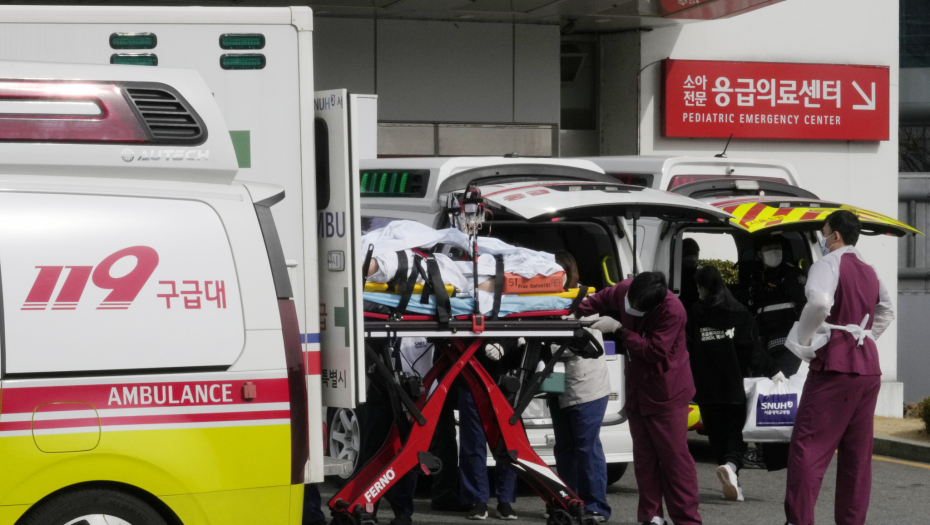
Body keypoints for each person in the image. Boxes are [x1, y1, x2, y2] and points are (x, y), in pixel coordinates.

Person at [783, 211, 894, 525]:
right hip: (867, 367)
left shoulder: (828, 263)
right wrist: (864, 336)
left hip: (835, 365)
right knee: (857, 456)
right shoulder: (869, 269)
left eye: (824, 232)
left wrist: (806, 339)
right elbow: (886, 310)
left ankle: (799, 520)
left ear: (835, 236)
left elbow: (819, 303)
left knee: (808, 447)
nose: (822, 238)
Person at [578, 272, 701, 525]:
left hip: (667, 393)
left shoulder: (673, 310)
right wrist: (568, 313)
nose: (631, 308)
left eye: (638, 307)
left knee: (674, 462)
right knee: (644, 460)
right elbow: (595, 301)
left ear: (654, 305)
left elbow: (653, 351)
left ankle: (687, 520)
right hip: (637, 390)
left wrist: (619, 329)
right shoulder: (625, 289)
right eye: (630, 302)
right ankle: (651, 517)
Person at [687, 266, 778, 502]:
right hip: (734, 385)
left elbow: (686, 348)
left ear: (703, 288)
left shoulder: (695, 313)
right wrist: (773, 370)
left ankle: (733, 480)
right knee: (736, 434)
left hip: (705, 387)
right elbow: (752, 350)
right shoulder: (739, 312)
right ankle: (731, 466)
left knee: (716, 436)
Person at [544, 251, 612, 522]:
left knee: (586, 446)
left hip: (586, 384)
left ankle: (595, 506)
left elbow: (583, 345)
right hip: (557, 382)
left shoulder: (584, 300)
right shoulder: (544, 300)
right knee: (564, 446)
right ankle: (569, 501)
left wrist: (543, 344)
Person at [457, 341, 522, 520]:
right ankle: (478, 500)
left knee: (508, 441)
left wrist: (503, 346)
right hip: (471, 376)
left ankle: (505, 500)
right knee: (473, 441)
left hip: (507, 377)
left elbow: (519, 329)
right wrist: (483, 345)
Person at [743, 235, 807, 377]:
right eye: (769, 249)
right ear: (760, 254)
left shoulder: (793, 275)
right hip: (764, 342)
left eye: (777, 248)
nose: (774, 251)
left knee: (782, 379)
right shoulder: (755, 278)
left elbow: (805, 308)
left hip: (788, 341)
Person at [678, 239, 701, 313]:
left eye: (695, 255)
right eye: (689, 254)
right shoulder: (676, 273)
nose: (693, 259)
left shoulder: (699, 273)